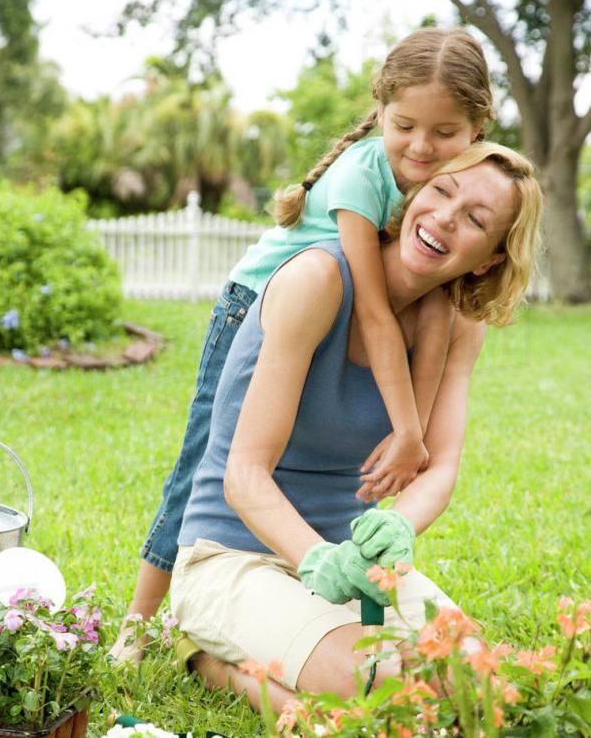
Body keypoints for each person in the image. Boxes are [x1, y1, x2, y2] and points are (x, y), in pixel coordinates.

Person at [111, 27, 495, 660]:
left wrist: (412, 438)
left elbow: (430, 309)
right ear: (380, 109)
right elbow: (372, 309)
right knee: (201, 461)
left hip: (344, 309)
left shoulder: (449, 191)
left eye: (445, 133)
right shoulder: (361, 176)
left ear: (476, 128)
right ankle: (142, 621)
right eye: (404, 125)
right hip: (261, 305)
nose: (422, 148)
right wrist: (405, 427)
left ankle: (298, 577)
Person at [170, 143, 543, 710]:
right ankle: (209, 660)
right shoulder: (319, 279)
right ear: (414, 192)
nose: (445, 218)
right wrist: (318, 560)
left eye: (475, 220)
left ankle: (281, 654)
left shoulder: (458, 323)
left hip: (357, 567)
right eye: (442, 191)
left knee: (477, 683)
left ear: (489, 258)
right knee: (383, 684)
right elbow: (243, 474)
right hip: (233, 558)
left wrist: (399, 530)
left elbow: (439, 467)